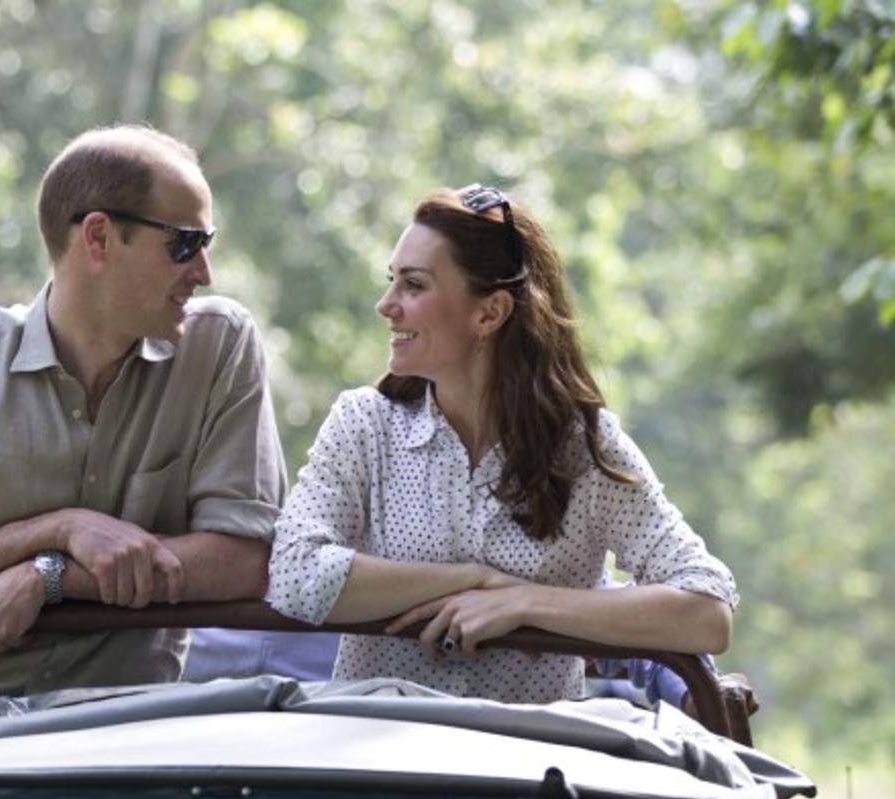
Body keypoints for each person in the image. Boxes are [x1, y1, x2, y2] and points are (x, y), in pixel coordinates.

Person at [0, 124, 287, 707]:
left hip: (124, 729)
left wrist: (47, 577)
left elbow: (244, 561)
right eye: (184, 243)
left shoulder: (219, 347)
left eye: (208, 243)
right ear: (99, 238)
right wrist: (59, 528)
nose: (203, 271)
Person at [266, 184, 738, 704]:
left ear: (489, 314)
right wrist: (474, 580)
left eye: (413, 286)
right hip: (380, 764)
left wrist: (526, 604)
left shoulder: (585, 449)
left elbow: (707, 611)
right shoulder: (363, 425)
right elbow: (293, 572)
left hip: (527, 772)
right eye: (391, 282)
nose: (386, 305)